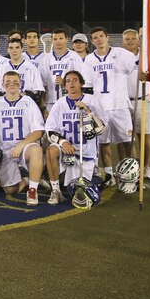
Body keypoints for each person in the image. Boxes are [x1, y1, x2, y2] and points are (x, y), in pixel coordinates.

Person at [82, 27, 139, 181]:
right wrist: (88, 108)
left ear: (107, 37)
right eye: (95, 37)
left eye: (101, 36)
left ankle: (133, 175)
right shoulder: (89, 59)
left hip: (120, 105)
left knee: (128, 141)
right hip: (101, 107)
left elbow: (138, 62)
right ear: (92, 41)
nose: (99, 39)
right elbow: (87, 86)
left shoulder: (120, 53)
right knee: (103, 142)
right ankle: (109, 174)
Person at [44, 71, 105, 204]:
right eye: (68, 81)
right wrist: (63, 142)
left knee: (82, 193)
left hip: (85, 153)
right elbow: (49, 130)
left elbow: (102, 129)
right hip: (66, 149)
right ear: (65, 85)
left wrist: (88, 111)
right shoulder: (60, 103)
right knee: (51, 151)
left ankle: (93, 173)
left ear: (81, 83)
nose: (71, 83)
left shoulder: (91, 100)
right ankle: (55, 191)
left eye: (75, 80)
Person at [0, 71, 46, 205]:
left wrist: (21, 145)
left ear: (20, 84)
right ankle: (27, 179)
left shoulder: (28, 102)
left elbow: (38, 131)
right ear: (3, 84)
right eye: (8, 82)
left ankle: (33, 190)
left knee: (36, 150)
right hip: (4, 150)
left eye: (15, 82)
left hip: (25, 147)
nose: (11, 85)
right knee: (11, 190)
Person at [122, 28, 150, 179]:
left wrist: (148, 77)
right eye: (127, 39)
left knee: (145, 136)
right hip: (125, 101)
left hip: (143, 99)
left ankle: (147, 167)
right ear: (123, 42)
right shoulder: (119, 56)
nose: (130, 41)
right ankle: (132, 167)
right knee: (127, 137)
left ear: (138, 40)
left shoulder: (147, 55)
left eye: (133, 38)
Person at [39, 29, 84, 114]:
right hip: (51, 102)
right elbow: (42, 86)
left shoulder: (74, 57)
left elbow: (81, 81)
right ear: (52, 40)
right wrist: (43, 106)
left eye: (61, 38)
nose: (58, 41)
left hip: (71, 100)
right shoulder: (46, 59)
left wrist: (65, 82)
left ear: (66, 39)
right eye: (55, 39)